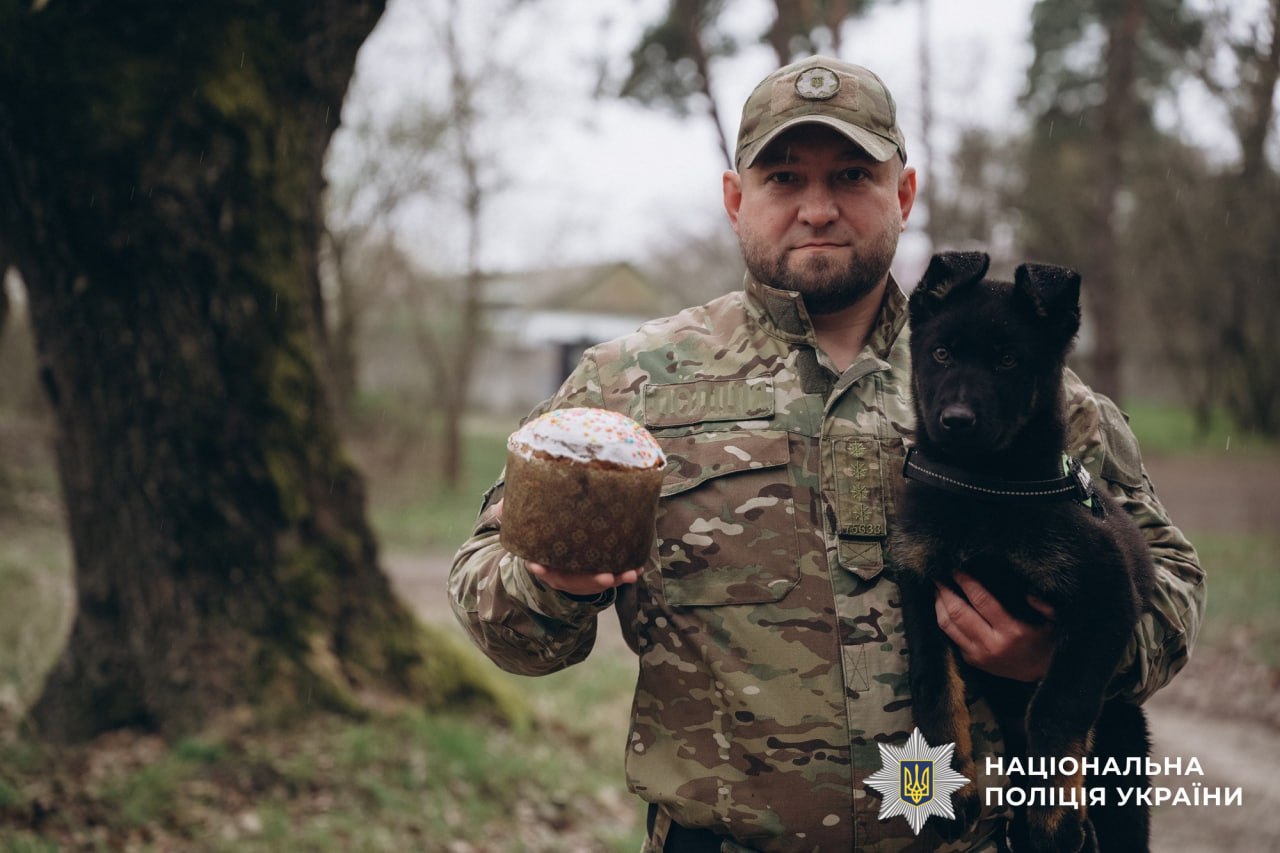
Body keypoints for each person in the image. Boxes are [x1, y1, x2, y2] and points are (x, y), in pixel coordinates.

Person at [449, 56, 1203, 852]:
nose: (817, 208)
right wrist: (552, 584)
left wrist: (1057, 659)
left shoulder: (1023, 388)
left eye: (850, 174)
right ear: (737, 198)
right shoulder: (629, 386)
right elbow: (493, 607)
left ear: (902, 194)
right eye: (782, 178)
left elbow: (1175, 587)